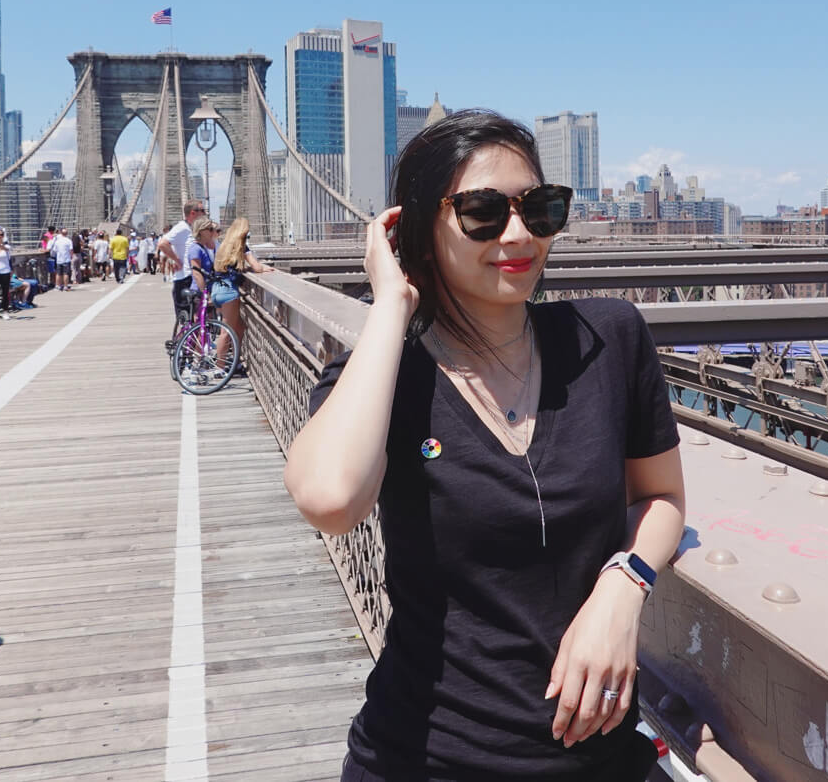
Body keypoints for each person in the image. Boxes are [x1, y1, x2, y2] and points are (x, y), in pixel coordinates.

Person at [284, 110, 686, 780]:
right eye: (482, 213)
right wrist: (391, 304)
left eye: (540, 208)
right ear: (417, 226)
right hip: (424, 759)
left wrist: (624, 586)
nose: (519, 234)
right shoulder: (390, 376)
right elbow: (330, 501)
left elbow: (663, 497)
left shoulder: (610, 337)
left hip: (601, 762)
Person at [209, 217, 275, 374]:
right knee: (226, 332)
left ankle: (235, 362)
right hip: (229, 292)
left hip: (217, 289)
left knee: (240, 327)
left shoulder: (224, 245)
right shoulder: (241, 246)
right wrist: (263, 268)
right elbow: (256, 267)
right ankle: (219, 368)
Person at [158, 202, 206, 325]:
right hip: (184, 279)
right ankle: (182, 343)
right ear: (193, 213)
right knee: (187, 319)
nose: (205, 213)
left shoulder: (192, 229)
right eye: (202, 210)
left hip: (193, 277)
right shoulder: (182, 227)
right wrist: (177, 260)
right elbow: (162, 244)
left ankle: (195, 343)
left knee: (198, 316)